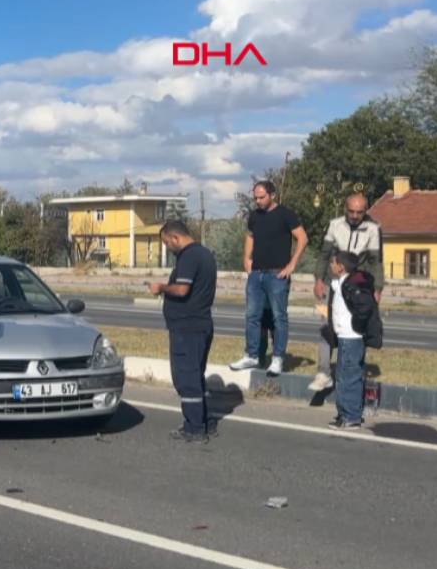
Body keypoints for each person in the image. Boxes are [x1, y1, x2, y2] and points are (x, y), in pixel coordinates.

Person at [146, 221, 218, 443]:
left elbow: (182, 289)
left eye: (167, 243)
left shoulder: (188, 256)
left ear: (175, 238)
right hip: (201, 324)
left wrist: (161, 288)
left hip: (188, 328)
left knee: (186, 379)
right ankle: (204, 421)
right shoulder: (206, 254)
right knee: (196, 376)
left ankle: (194, 428)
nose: (167, 247)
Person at [230, 180, 308, 377]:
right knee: (252, 315)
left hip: (277, 274)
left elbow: (303, 238)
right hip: (256, 274)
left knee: (278, 317)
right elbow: (250, 237)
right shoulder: (254, 216)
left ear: (272, 195)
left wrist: (292, 264)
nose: (258, 201)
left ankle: (278, 358)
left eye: (261, 197)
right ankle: (252, 355)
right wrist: (246, 258)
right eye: (255, 197)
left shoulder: (285, 214)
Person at [309, 194, 383, 392]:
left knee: (355, 328)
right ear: (345, 208)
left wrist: (378, 289)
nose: (355, 215)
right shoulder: (334, 225)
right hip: (330, 283)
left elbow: (376, 262)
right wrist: (318, 280)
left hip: (357, 287)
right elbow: (324, 255)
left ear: (366, 210)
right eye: (351, 211)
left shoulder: (374, 229)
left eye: (360, 212)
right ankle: (323, 372)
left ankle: (350, 369)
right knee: (325, 326)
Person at [326, 251, 383, 430]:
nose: (330, 265)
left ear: (341, 267)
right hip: (345, 337)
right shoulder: (343, 283)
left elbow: (365, 306)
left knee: (347, 377)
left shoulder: (351, 284)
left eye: (333, 263)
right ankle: (347, 414)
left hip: (351, 337)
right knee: (347, 375)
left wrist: (355, 325)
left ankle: (350, 417)